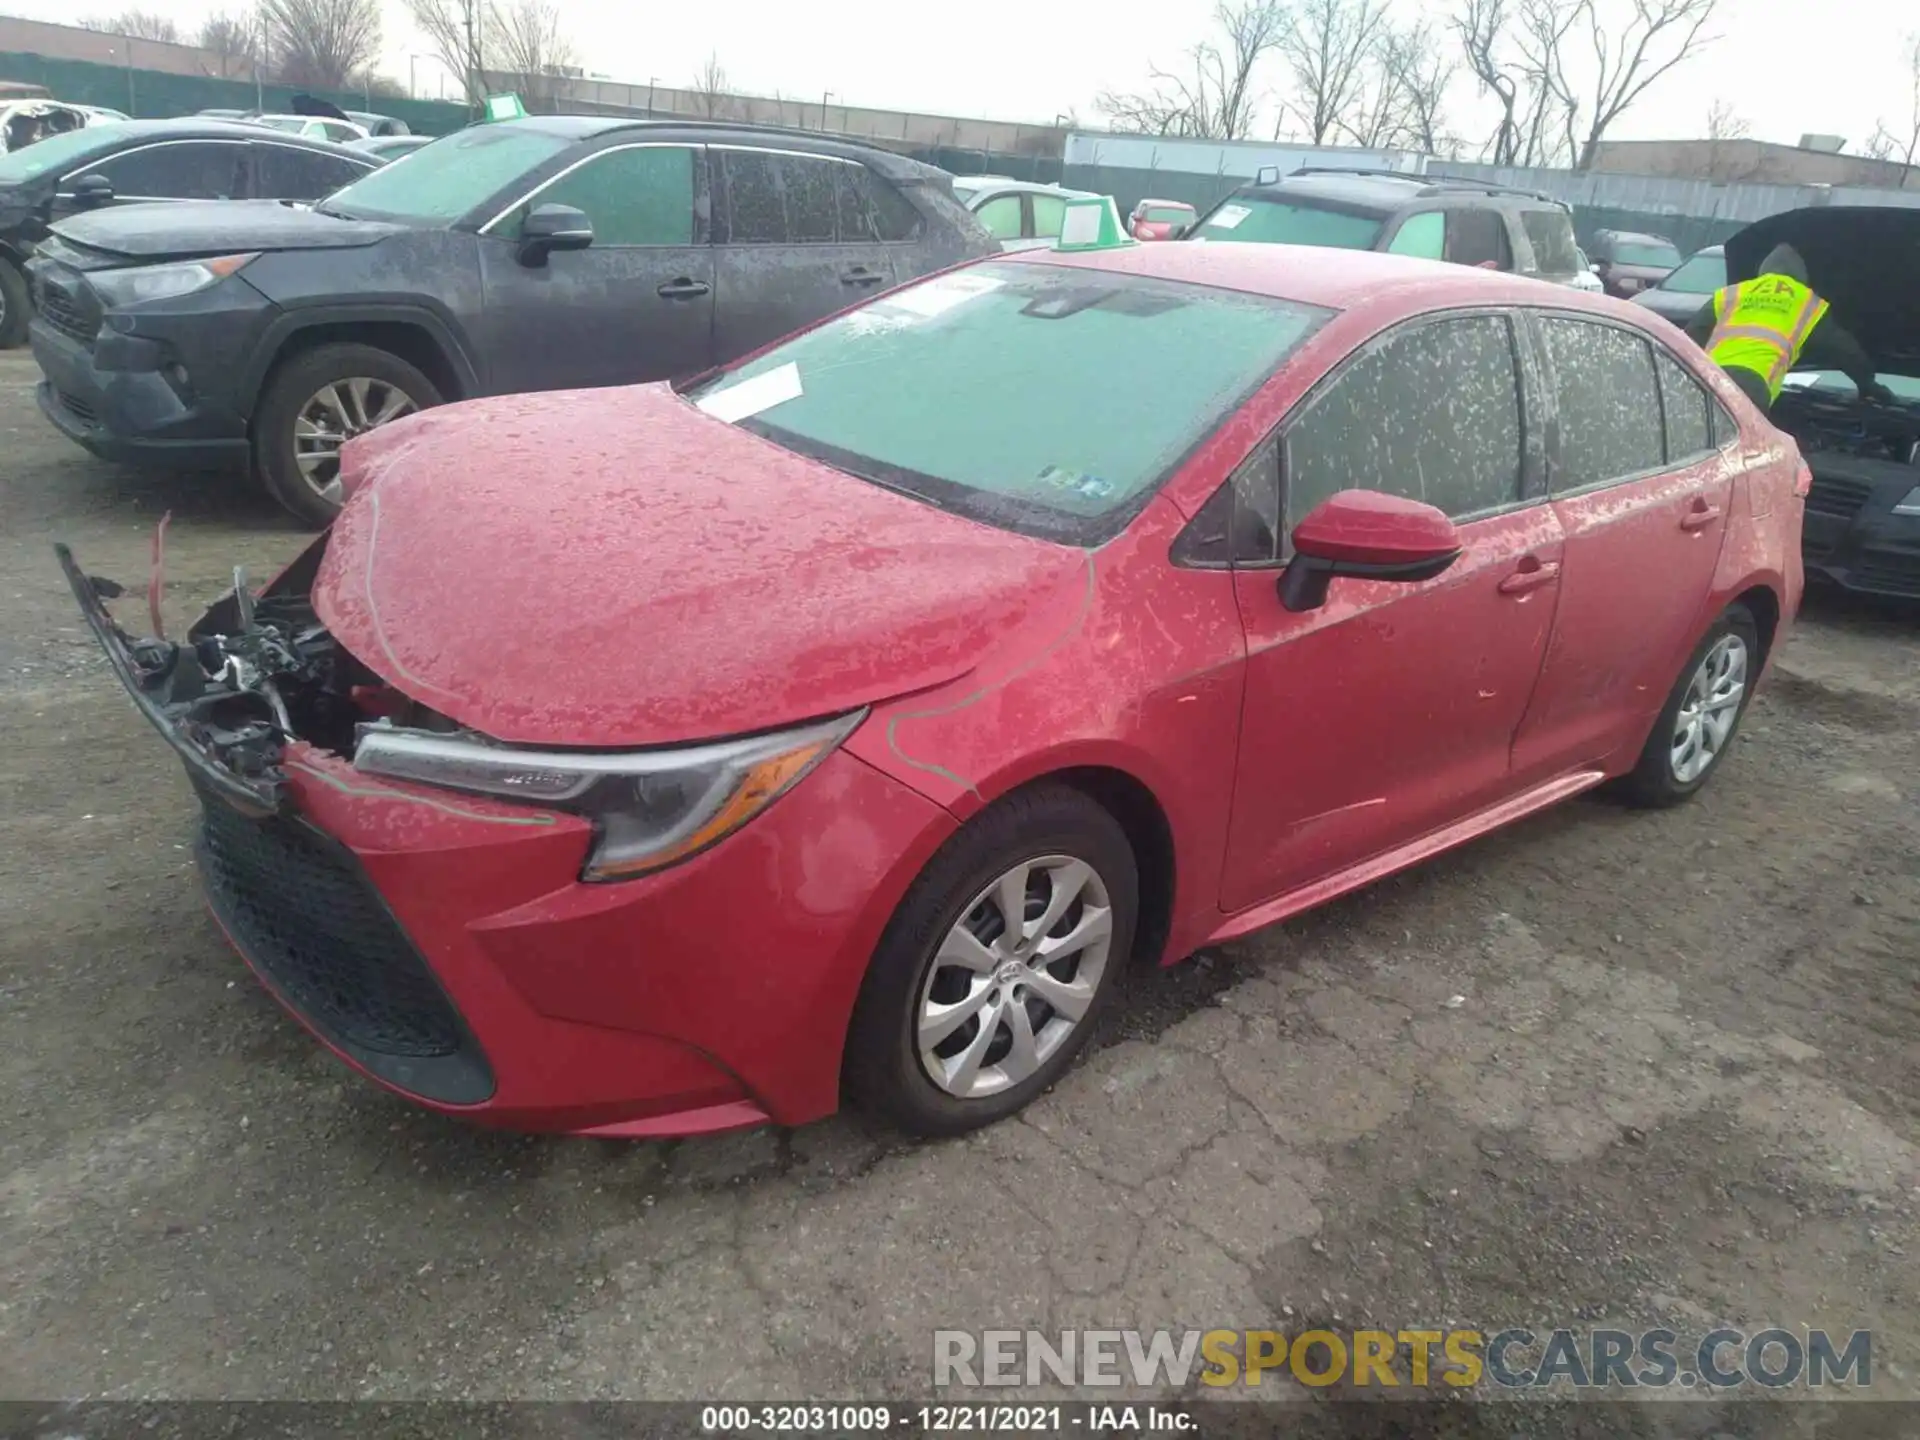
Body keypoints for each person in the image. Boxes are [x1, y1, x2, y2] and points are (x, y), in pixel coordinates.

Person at [1684, 242, 1892, 413]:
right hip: (1753, 386)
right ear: (1801, 276)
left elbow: (1689, 337)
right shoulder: (1807, 303)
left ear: (1763, 270)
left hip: (1708, 378)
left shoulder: (1732, 293)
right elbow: (1844, 350)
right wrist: (1867, 384)